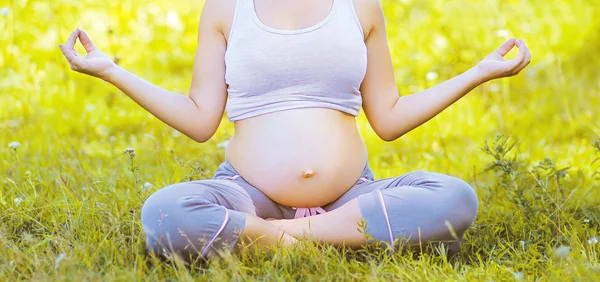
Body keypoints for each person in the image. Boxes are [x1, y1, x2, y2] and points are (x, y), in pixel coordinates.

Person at [59, 0, 531, 261]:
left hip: (349, 193)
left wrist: (477, 73)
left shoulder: (361, 7)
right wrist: (110, 71)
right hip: (247, 192)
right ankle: (333, 235)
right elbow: (200, 118)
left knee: (454, 199)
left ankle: (269, 237)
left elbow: (388, 116)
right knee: (165, 215)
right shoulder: (225, 8)